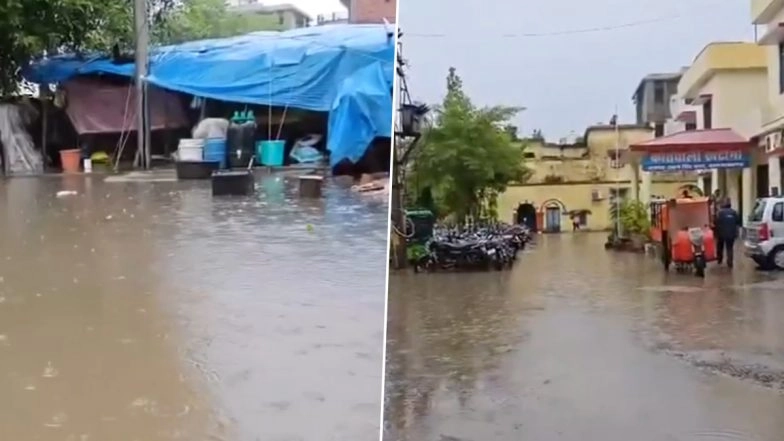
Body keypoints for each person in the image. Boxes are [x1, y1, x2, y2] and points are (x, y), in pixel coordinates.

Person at [714, 198, 741, 268]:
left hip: (721, 233)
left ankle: (719, 259)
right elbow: (738, 222)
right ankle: (730, 262)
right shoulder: (734, 212)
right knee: (730, 248)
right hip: (731, 234)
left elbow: (716, 222)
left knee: (720, 246)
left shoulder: (720, 213)